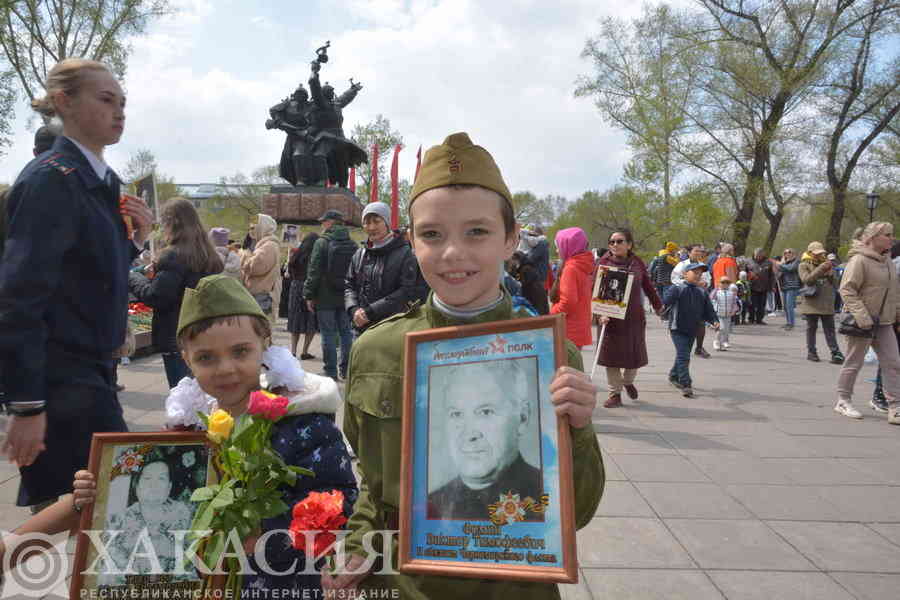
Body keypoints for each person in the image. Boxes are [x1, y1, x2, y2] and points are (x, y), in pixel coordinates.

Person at [324, 133, 603, 599]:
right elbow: (375, 482)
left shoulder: (549, 356)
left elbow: (579, 509)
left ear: (511, 238)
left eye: (477, 231)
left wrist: (581, 425)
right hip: (403, 582)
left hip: (514, 588)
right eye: (432, 234)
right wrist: (357, 544)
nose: (453, 253)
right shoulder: (377, 351)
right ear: (410, 241)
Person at [2, 275, 359, 595]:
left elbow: (340, 501)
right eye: (206, 357)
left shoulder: (303, 424)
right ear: (186, 359)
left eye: (240, 351)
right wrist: (94, 493)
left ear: (264, 343)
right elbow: (127, 501)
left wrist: (267, 535)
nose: (225, 369)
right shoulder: (186, 432)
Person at [0, 58, 154, 512]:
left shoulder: (96, 181)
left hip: (92, 374)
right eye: (106, 99)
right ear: (64, 102)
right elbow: (20, 298)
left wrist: (136, 242)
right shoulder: (52, 179)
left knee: (88, 509)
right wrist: (26, 406)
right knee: (112, 502)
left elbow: (87, 276)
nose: (119, 111)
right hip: (64, 376)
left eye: (122, 102)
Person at [426, 359, 543, 521]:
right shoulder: (429, 507)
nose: (469, 434)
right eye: (456, 414)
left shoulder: (550, 493)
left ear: (523, 418)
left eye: (485, 412)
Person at [129, 198, 223, 388]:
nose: (162, 229)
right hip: (204, 333)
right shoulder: (207, 254)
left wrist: (132, 276)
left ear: (172, 223)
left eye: (163, 223)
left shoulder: (173, 256)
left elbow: (156, 296)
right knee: (202, 395)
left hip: (177, 336)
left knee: (183, 397)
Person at [835, 222, 900, 424]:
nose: (892, 238)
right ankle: (843, 400)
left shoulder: (888, 260)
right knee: (854, 362)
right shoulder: (859, 260)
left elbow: (893, 291)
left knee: (893, 363)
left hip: (885, 322)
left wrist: (897, 313)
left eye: (892, 235)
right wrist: (863, 317)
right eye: (887, 235)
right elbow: (846, 290)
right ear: (873, 237)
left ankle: (895, 406)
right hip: (861, 322)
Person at [595, 229, 663, 408]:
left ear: (629, 244)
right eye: (612, 242)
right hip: (610, 320)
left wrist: (658, 305)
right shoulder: (603, 263)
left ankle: (627, 381)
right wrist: (600, 313)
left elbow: (647, 286)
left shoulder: (637, 263)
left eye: (619, 241)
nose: (615, 245)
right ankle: (614, 394)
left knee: (634, 357)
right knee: (611, 359)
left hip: (633, 318)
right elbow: (593, 290)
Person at [344, 201, 427, 336]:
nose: (371, 227)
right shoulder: (359, 254)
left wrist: (370, 311)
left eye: (376, 221)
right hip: (360, 327)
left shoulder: (405, 253)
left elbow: (407, 290)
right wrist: (353, 309)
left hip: (392, 328)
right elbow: (349, 285)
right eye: (366, 222)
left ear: (387, 222)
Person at [304, 209, 356, 380]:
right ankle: (347, 369)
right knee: (346, 333)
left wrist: (309, 295)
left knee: (328, 334)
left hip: (325, 296)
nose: (322, 224)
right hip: (347, 295)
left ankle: (331, 371)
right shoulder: (353, 244)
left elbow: (314, 271)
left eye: (324, 221)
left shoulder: (322, 243)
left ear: (331, 222)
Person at [664, 263, 719, 398]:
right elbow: (664, 302)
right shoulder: (677, 288)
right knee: (684, 356)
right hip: (677, 328)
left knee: (682, 355)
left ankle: (673, 375)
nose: (698, 275)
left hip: (693, 329)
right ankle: (686, 384)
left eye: (700, 273)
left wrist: (714, 320)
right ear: (685, 274)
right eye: (694, 272)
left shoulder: (702, 291)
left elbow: (708, 310)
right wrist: (665, 301)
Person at [797, 242, 844, 365]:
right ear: (810, 253)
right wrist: (821, 269)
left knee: (830, 329)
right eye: (817, 254)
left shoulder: (827, 264)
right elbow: (807, 280)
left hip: (827, 302)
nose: (820, 256)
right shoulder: (803, 265)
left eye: (821, 253)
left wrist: (830, 275)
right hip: (811, 302)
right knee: (811, 328)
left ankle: (835, 353)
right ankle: (811, 352)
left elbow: (836, 284)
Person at [549, 227, 594, 348]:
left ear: (568, 246)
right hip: (578, 328)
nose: (557, 250)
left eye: (559, 246)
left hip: (567, 330)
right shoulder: (582, 265)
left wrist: (552, 313)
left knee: (564, 366)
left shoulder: (571, 268)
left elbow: (568, 302)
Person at [672, 244, 712, 358]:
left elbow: (708, 279)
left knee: (701, 322)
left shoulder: (703, 266)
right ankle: (683, 346)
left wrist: (705, 284)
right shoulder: (682, 265)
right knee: (684, 322)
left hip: (699, 296)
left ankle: (699, 347)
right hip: (684, 296)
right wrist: (689, 282)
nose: (698, 253)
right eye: (696, 251)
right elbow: (674, 278)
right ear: (689, 253)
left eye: (700, 251)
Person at [241, 213, 282, 322]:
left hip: (262, 295)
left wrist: (244, 257)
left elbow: (255, 267)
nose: (251, 230)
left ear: (263, 226)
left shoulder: (269, 246)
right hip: (259, 294)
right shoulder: (265, 244)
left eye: (254, 227)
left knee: (260, 331)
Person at [287, 231, 320, 359]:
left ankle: (293, 351)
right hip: (310, 288)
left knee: (295, 318)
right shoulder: (316, 256)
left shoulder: (296, 255)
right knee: (310, 320)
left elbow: (289, 269)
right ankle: (305, 351)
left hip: (295, 287)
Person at [710, 276, 739, 350]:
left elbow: (734, 303)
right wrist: (716, 288)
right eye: (723, 282)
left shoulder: (731, 293)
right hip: (719, 314)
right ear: (720, 283)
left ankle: (725, 341)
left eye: (727, 283)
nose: (725, 284)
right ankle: (716, 342)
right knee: (721, 328)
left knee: (726, 329)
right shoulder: (717, 292)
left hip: (728, 314)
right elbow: (711, 297)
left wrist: (733, 311)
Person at [748, 248, 775, 324]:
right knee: (752, 304)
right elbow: (745, 271)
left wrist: (772, 286)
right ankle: (751, 319)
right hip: (752, 286)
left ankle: (759, 319)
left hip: (764, 286)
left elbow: (771, 275)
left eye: (760, 256)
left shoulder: (768, 262)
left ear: (763, 255)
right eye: (757, 256)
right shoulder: (749, 261)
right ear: (754, 254)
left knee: (762, 304)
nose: (758, 257)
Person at [778, 248, 801, 330]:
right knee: (785, 306)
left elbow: (791, 268)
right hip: (784, 286)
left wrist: (781, 264)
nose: (787, 254)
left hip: (792, 286)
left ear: (793, 254)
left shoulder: (797, 262)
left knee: (789, 306)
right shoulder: (784, 263)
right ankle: (788, 322)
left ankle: (791, 324)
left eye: (789, 252)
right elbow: (778, 271)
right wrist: (781, 264)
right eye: (785, 253)